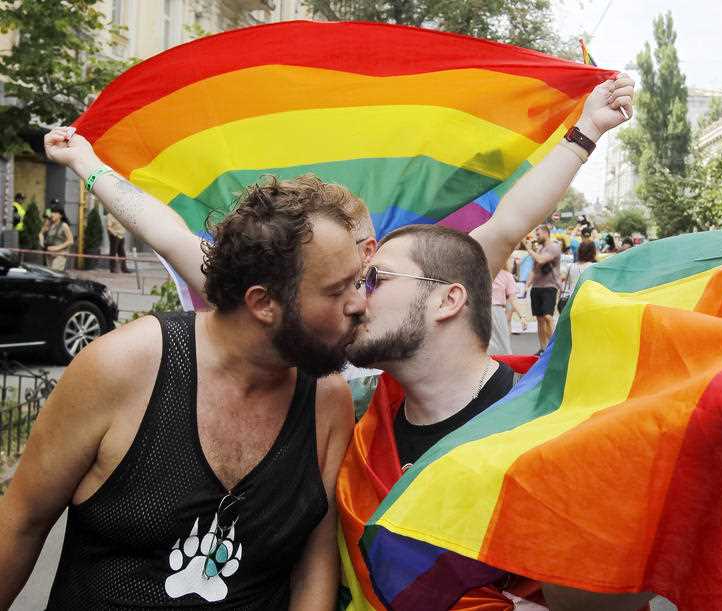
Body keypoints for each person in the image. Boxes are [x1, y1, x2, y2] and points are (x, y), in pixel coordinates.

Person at [39, 75, 645, 610]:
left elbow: (507, 225)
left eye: (371, 275)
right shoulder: (322, 359)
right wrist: (88, 166)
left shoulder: (536, 420)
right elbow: (172, 236)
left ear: (447, 298)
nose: (356, 296)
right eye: (349, 278)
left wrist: (586, 131)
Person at [0, 160, 363, 606]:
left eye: (360, 282)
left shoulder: (327, 400)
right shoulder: (122, 367)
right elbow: (21, 522)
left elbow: (314, 559)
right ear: (263, 303)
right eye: (338, 290)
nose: (360, 304)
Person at [524, 224, 562, 355]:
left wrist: (529, 250)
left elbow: (540, 260)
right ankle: (543, 348)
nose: (537, 237)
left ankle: (554, 348)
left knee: (548, 317)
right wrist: (527, 283)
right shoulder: (539, 249)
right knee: (540, 319)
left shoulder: (554, 247)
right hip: (537, 287)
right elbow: (535, 268)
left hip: (549, 287)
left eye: (538, 234)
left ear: (546, 233)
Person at [488, 261, 527, 355]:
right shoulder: (481, 273)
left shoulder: (506, 275)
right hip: (486, 311)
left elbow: (513, 298)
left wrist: (522, 316)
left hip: (494, 311)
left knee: (501, 344)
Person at [40, 204, 74, 271]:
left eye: (55, 212)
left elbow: (71, 241)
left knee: (54, 274)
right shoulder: (49, 224)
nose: (53, 214)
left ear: (60, 215)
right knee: (49, 274)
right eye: (52, 212)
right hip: (49, 254)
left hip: (60, 255)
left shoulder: (64, 225)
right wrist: (42, 242)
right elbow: (41, 233)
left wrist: (57, 248)